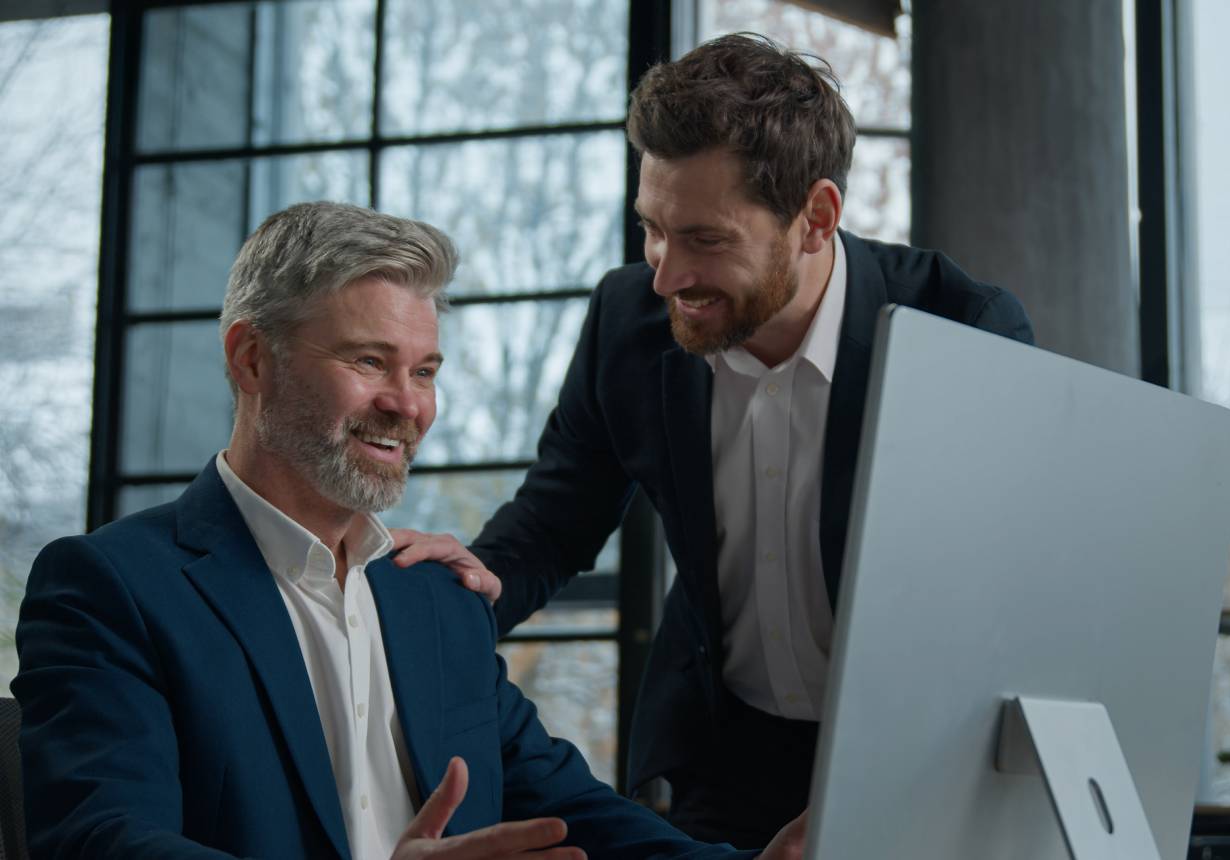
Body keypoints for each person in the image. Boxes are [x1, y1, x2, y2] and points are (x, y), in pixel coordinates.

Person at [390, 33, 1035, 848]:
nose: (663, 274)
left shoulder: (965, 331)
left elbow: (1005, 607)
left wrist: (875, 795)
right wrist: (465, 594)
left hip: (912, 752)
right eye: (653, 229)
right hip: (722, 759)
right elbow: (557, 519)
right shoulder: (628, 320)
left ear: (817, 218)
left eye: (705, 239)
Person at [11, 202, 805, 860]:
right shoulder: (109, 589)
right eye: (369, 361)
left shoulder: (434, 596)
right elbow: (100, 842)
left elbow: (570, 810)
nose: (408, 405)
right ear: (252, 359)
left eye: (424, 371)